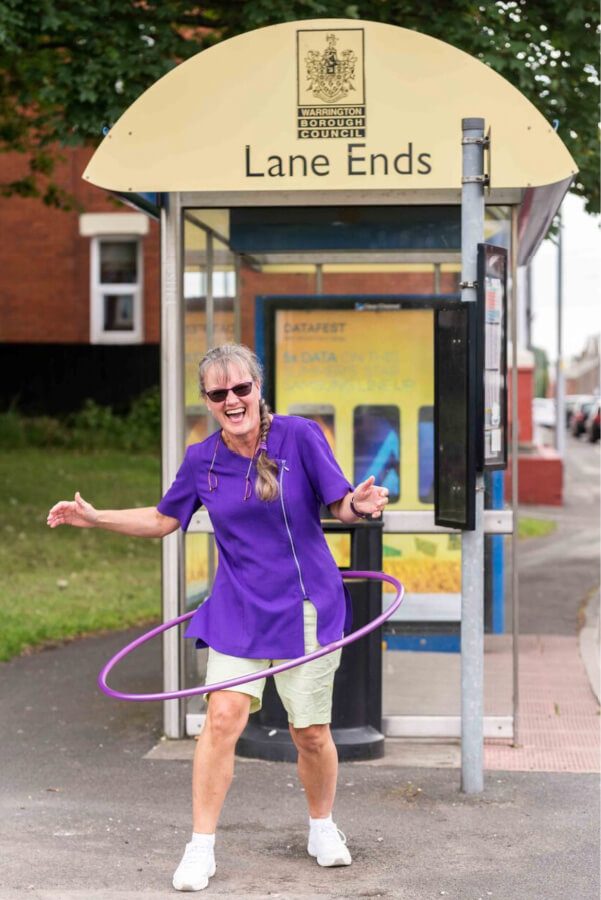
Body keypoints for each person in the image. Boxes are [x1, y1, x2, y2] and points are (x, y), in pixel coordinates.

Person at [47, 343, 389, 893]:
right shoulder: (200, 460)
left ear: (258, 388)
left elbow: (340, 504)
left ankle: (322, 826)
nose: (232, 400)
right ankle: (200, 847)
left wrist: (362, 506)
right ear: (207, 401)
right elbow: (163, 520)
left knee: (310, 732)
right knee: (222, 720)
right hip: (238, 608)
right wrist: (94, 517)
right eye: (218, 393)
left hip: (306, 604)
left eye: (240, 389)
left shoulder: (299, 437)